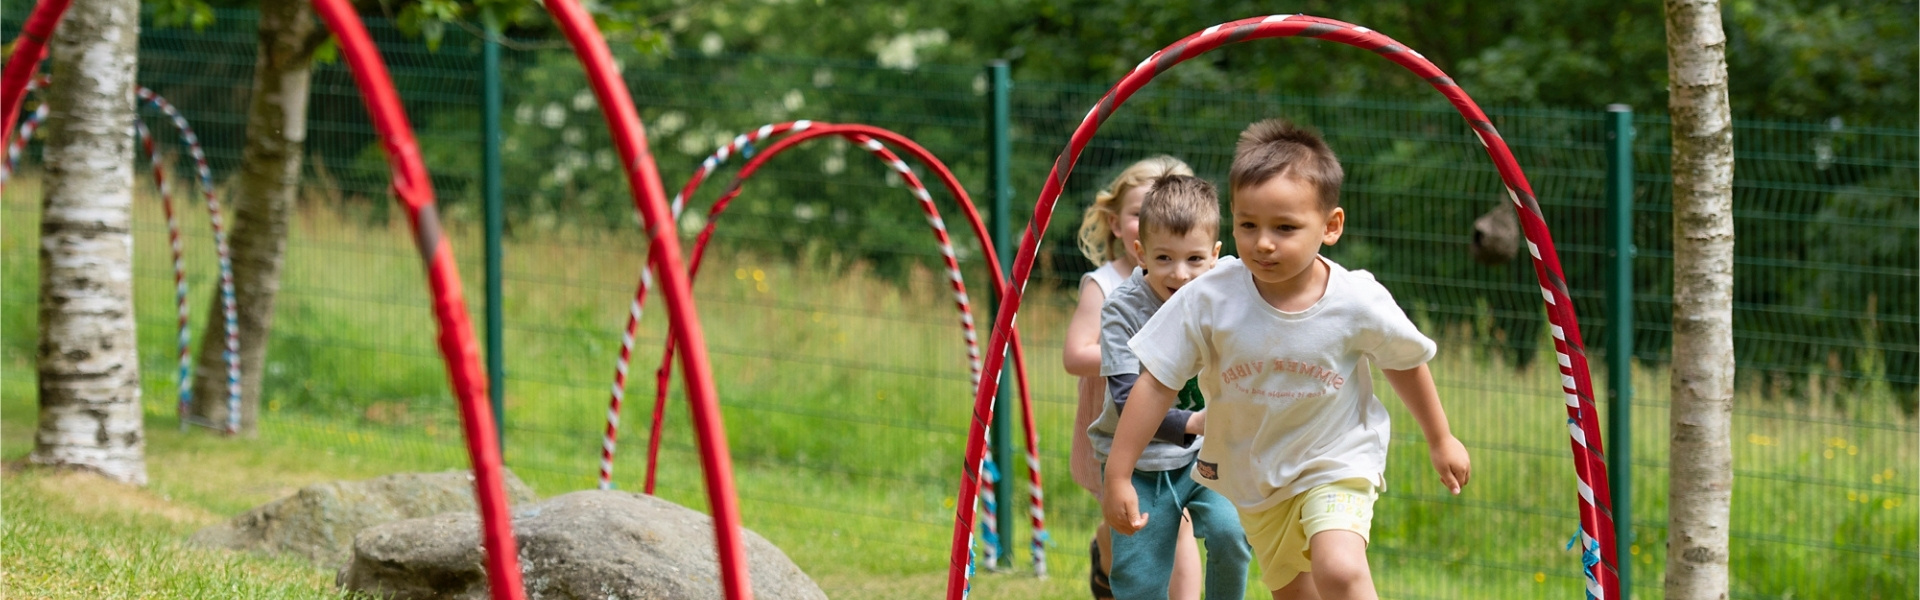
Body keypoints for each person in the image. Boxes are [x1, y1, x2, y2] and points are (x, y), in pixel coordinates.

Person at [1102, 119, 1472, 600]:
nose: (1263, 242)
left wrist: (1440, 438)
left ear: (1331, 226)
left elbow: (1402, 360)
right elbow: (1155, 384)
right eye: (1247, 225)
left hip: (1335, 460)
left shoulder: (1356, 299)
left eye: (1285, 227)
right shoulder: (1209, 298)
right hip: (1258, 479)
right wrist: (1118, 472)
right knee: (1297, 593)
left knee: (1338, 568)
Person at [1087, 173, 1251, 600]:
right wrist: (1195, 421)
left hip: (1205, 459)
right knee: (1140, 580)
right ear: (1139, 252)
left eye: (1195, 259)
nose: (1180, 274)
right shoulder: (1122, 310)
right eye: (1164, 259)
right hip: (1139, 464)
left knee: (1232, 534)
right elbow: (1127, 399)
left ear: (1216, 256)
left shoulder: (1228, 285)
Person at [1065, 156, 1202, 599]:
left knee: (1179, 527)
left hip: (1177, 427)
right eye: (1139, 214)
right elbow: (1074, 354)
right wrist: (1140, 348)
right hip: (1114, 418)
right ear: (1116, 222)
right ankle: (1106, 563)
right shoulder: (1104, 285)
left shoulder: (1191, 277)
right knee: (1125, 522)